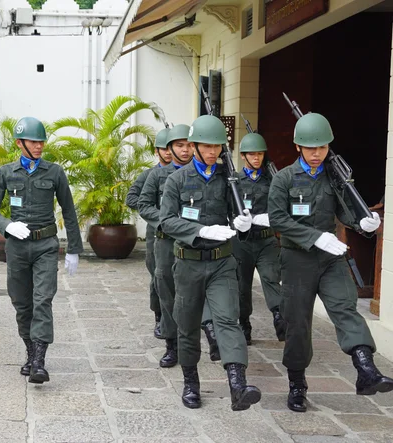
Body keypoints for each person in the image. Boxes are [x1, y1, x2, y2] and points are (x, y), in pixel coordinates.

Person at [268, 112, 393, 412]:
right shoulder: (284, 178)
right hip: (297, 260)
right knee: (298, 324)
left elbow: (346, 211)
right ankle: (297, 384)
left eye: (322, 148)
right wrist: (313, 237)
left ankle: (366, 369)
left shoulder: (333, 177)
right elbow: (277, 219)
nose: (316, 154)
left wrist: (362, 222)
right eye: (311, 148)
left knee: (345, 307)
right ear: (298, 147)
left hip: (329, 258)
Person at [160, 115, 261, 411]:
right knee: (188, 326)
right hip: (188, 263)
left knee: (229, 320)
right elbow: (166, 221)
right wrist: (200, 231)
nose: (211, 152)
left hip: (221, 263)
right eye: (205, 146)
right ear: (193, 146)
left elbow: (238, 215)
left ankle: (237, 383)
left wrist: (243, 222)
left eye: (217, 146)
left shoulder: (228, 179)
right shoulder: (177, 179)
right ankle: (191, 381)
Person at [0, 116, 83, 384]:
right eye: (33, 142)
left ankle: (39, 360)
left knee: (42, 300)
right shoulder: (6, 173)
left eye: (41, 142)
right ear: (20, 143)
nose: (39, 147)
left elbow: (69, 210)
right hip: (16, 247)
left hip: (45, 246)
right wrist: (7, 226)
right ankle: (29, 351)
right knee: (21, 303)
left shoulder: (54, 172)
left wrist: (73, 248)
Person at [138, 124, 193, 368]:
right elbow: (143, 203)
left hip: (194, 243)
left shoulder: (203, 173)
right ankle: (172, 344)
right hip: (165, 242)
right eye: (179, 145)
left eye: (189, 144)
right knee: (167, 291)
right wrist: (164, 222)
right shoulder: (157, 175)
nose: (185, 150)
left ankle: (197, 338)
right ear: (170, 148)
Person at [234, 133, 285, 344]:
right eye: (252, 154)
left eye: (260, 154)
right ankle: (244, 323)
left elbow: (283, 205)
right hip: (242, 242)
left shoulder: (273, 179)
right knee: (241, 286)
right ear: (243, 156)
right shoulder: (234, 180)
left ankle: (280, 318)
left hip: (266, 240)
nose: (257, 158)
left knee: (271, 278)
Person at [126, 128, 172, 338]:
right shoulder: (149, 175)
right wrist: (155, 211)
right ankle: (159, 316)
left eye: (171, 148)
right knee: (158, 276)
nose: (169, 152)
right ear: (157, 151)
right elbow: (132, 198)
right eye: (164, 148)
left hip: (180, 232)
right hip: (157, 231)